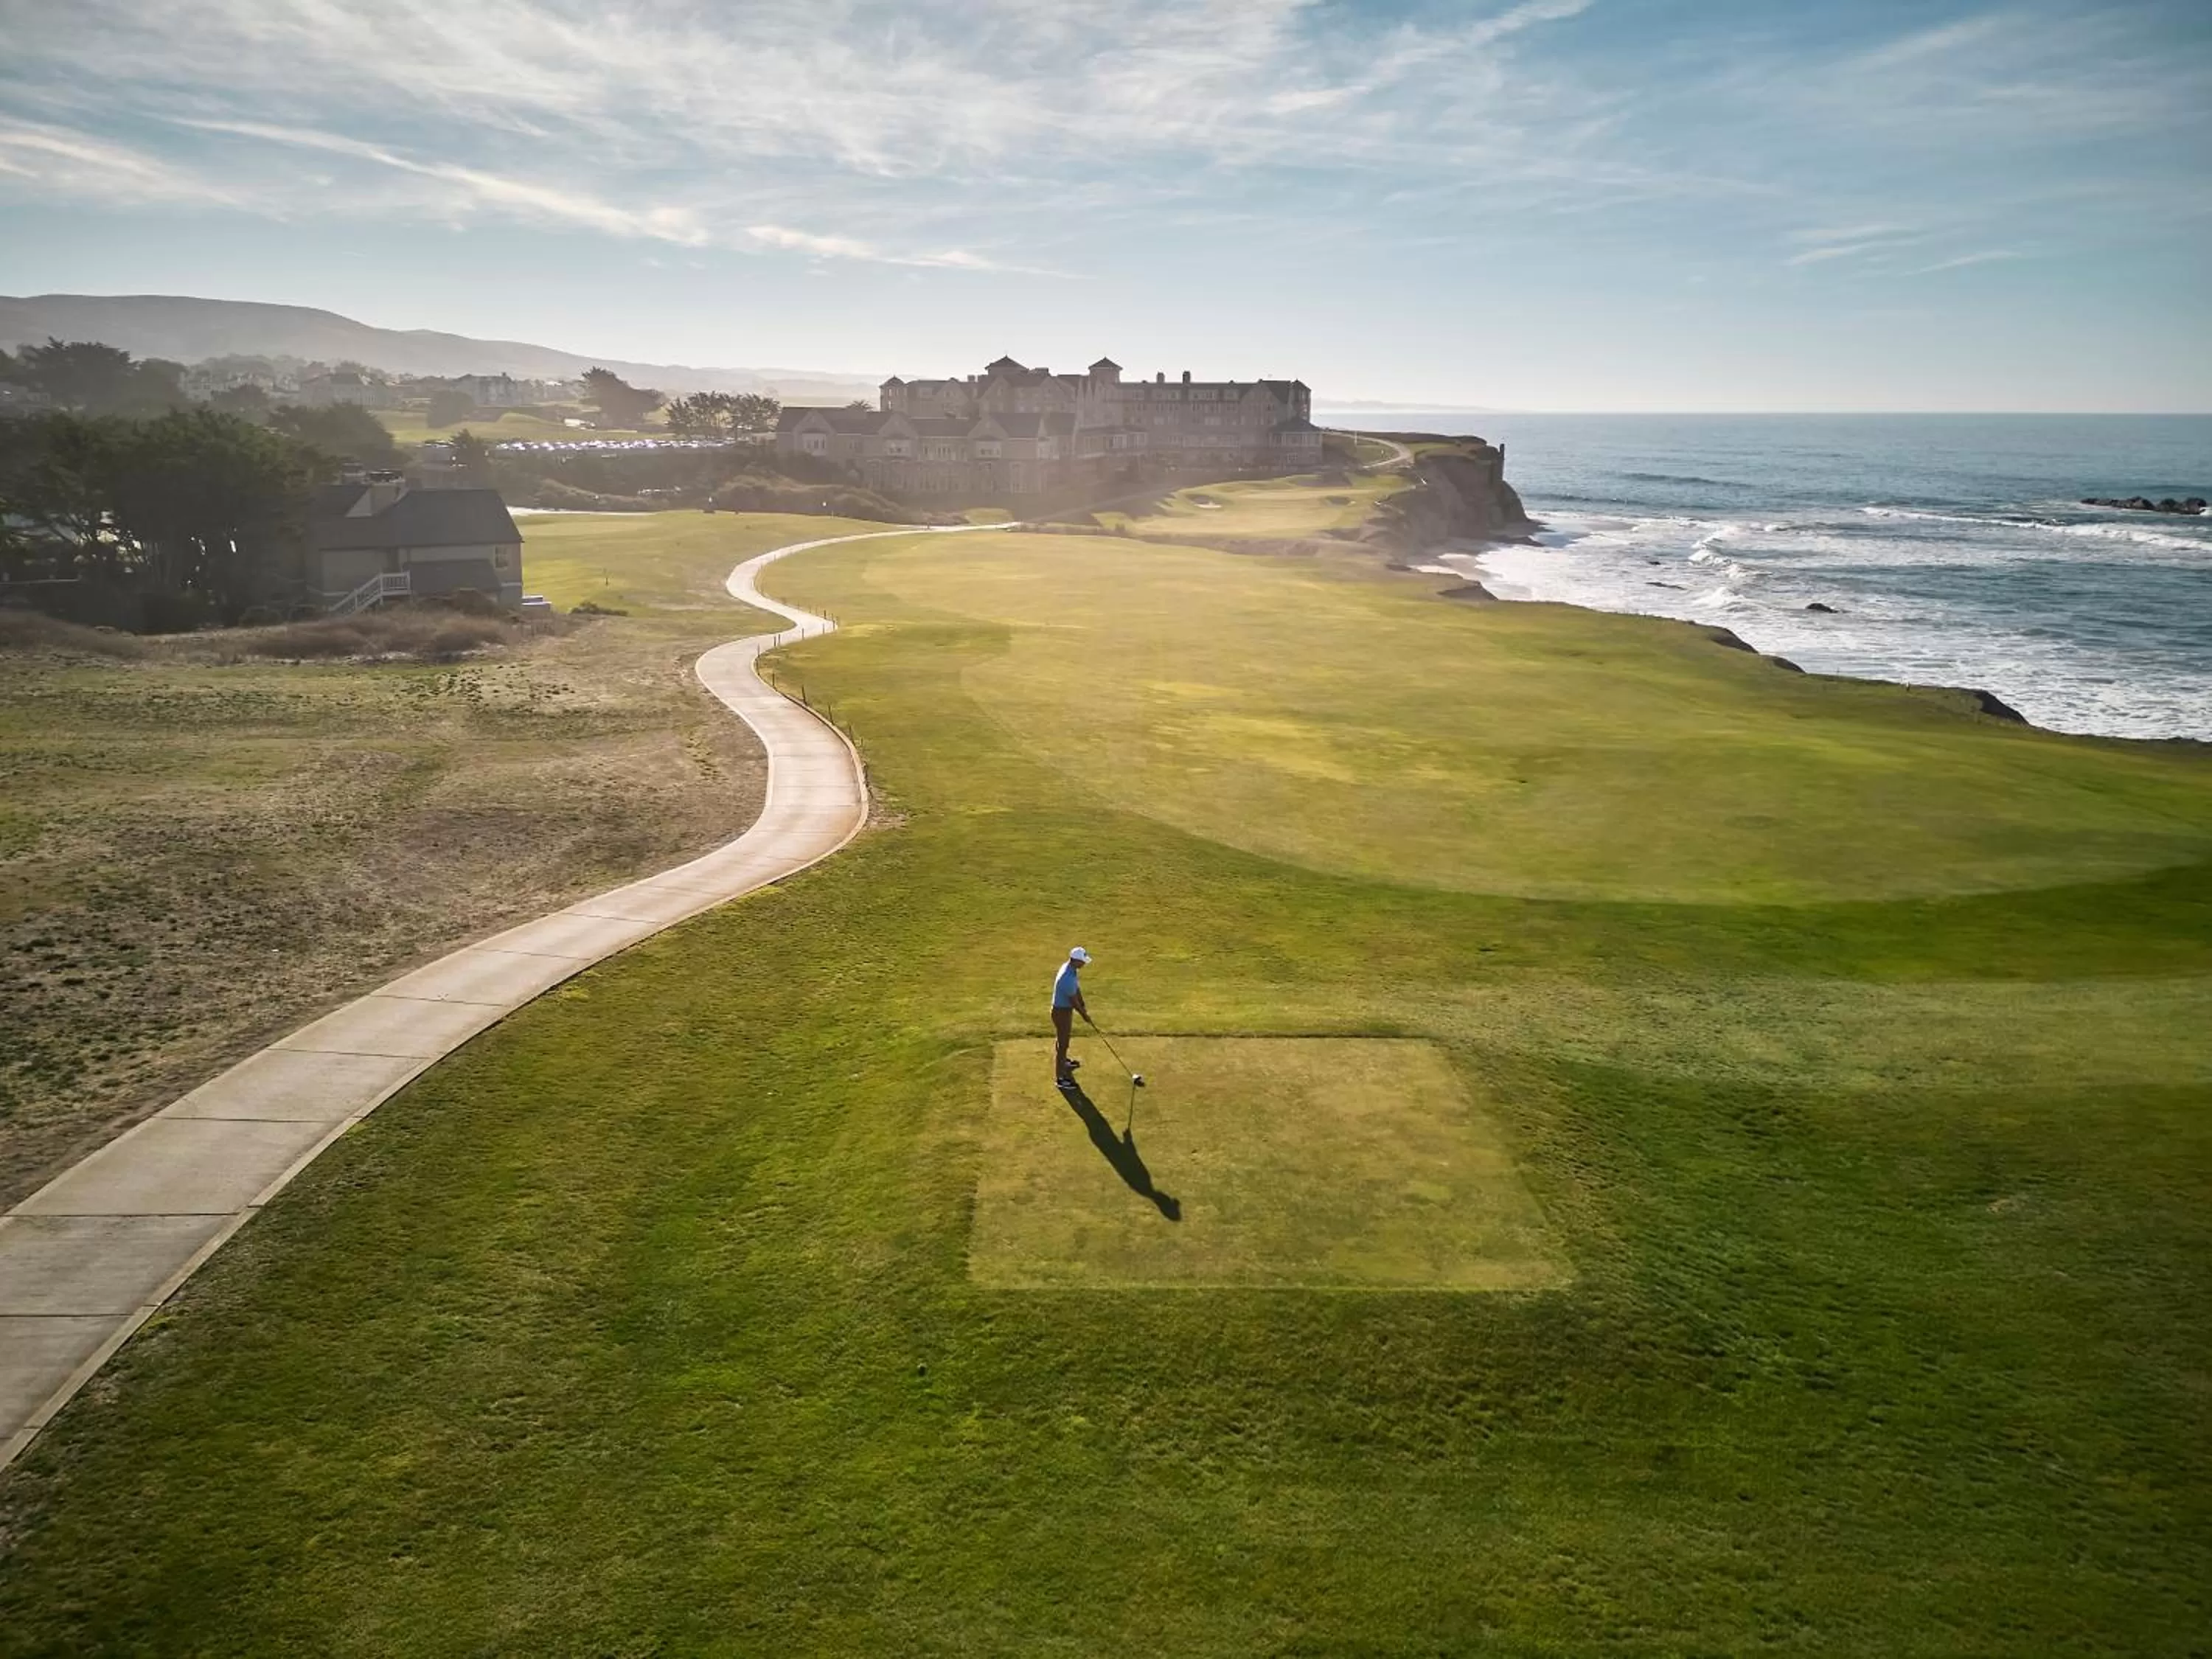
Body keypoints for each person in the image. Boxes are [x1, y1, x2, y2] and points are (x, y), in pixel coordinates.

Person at [1051, 946, 1091, 1083]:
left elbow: (1077, 989)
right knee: (1063, 1044)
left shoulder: (1072, 969)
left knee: (1063, 1039)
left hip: (1064, 1011)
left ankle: (1064, 1063)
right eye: (1083, 961)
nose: (1085, 964)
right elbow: (1073, 1001)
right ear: (1076, 961)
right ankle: (1060, 1078)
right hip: (1061, 1012)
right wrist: (1084, 1015)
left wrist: (1083, 1004)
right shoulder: (1066, 977)